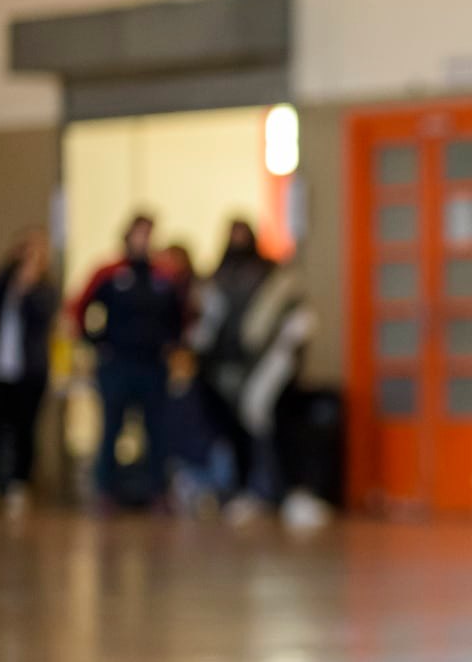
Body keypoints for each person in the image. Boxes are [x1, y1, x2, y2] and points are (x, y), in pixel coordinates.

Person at [189, 219, 327, 530]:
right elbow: (208, 326)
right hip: (227, 371)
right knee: (237, 432)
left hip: (268, 369)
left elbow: (294, 318)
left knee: (274, 427)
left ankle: (285, 491)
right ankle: (247, 490)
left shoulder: (272, 277)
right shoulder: (219, 279)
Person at [69, 213, 187, 510]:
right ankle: (105, 490)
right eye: (139, 234)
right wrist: (95, 342)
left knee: (157, 430)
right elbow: (78, 307)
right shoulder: (109, 272)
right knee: (112, 428)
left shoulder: (163, 276)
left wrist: (172, 344)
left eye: (148, 234)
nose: (143, 240)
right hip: (117, 364)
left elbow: (180, 316)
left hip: (152, 365)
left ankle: (158, 491)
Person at [0, 227, 57, 517]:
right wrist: (10, 269)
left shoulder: (46, 287)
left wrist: (29, 287)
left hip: (28, 372)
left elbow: (42, 316)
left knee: (23, 430)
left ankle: (19, 484)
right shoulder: (5, 283)